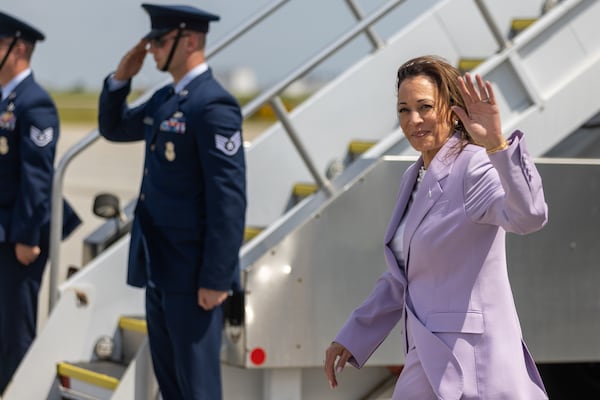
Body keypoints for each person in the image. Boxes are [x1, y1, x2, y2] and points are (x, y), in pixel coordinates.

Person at [323, 55, 549, 399]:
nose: (413, 120)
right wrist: (354, 334)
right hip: (429, 356)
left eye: (425, 107)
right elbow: (405, 276)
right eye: (403, 109)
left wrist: (497, 147)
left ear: (451, 108)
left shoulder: (474, 165)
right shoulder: (413, 177)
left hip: (470, 362)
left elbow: (529, 216)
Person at [97, 3, 246, 399]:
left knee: (197, 387)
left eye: (159, 40)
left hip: (194, 272)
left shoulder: (212, 105)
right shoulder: (166, 98)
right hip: (159, 266)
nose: (153, 50)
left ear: (191, 41)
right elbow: (114, 127)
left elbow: (228, 200)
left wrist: (216, 278)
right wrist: (120, 79)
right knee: (172, 385)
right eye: (151, 40)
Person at [0, 10, 81, 395]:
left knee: (15, 329)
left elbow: (36, 178)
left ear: (18, 50)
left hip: (20, 237)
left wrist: (28, 237)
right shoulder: (5, 100)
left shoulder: (34, 103)